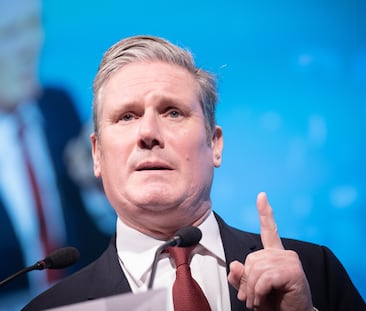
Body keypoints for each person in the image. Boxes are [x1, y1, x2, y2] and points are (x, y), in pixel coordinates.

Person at [22, 35, 365, 311]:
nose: (148, 133)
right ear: (97, 154)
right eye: (127, 116)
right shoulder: (53, 308)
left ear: (214, 144)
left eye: (172, 112)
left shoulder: (313, 271)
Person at [0, 0, 111, 306]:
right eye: (9, 33)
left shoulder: (59, 109)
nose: (28, 46)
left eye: (32, 26)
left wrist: (96, 189)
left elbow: (96, 249)